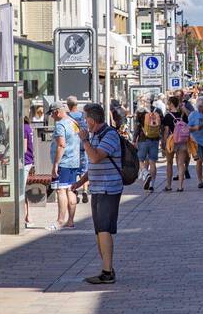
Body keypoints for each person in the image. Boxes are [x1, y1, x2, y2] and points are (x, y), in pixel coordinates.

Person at [74, 103, 125, 285]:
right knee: (99, 231)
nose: (83, 122)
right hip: (97, 188)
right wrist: (81, 181)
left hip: (108, 188)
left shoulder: (109, 135)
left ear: (92, 119)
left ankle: (107, 272)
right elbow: (94, 164)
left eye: (85, 118)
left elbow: (96, 157)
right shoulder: (95, 135)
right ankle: (106, 267)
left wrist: (85, 141)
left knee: (104, 229)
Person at [50, 103, 85, 229]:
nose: (52, 116)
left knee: (61, 190)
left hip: (64, 162)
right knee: (71, 189)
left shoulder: (60, 125)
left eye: (52, 113)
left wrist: (55, 164)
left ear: (57, 111)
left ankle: (60, 221)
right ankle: (70, 221)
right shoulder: (73, 122)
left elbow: (61, 145)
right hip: (74, 161)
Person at [161, 95, 189, 192]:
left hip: (171, 141)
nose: (168, 105)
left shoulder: (168, 116)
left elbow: (166, 130)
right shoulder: (182, 115)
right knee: (181, 164)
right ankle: (180, 186)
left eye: (168, 103)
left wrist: (163, 143)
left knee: (169, 163)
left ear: (171, 104)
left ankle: (169, 185)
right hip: (182, 141)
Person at [134, 102, 162, 193]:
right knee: (152, 162)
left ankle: (145, 173)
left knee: (140, 160)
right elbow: (160, 126)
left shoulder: (140, 113)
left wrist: (134, 140)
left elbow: (137, 128)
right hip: (155, 139)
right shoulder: (157, 112)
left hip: (143, 140)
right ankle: (151, 185)